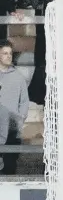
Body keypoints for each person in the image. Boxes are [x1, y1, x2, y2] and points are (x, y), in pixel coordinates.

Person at [0, 39, 29, 174]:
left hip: (11, 129)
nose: (8, 56)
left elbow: (24, 101)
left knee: (10, 167)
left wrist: (20, 119)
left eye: (10, 53)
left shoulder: (18, 77)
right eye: (5, 53)